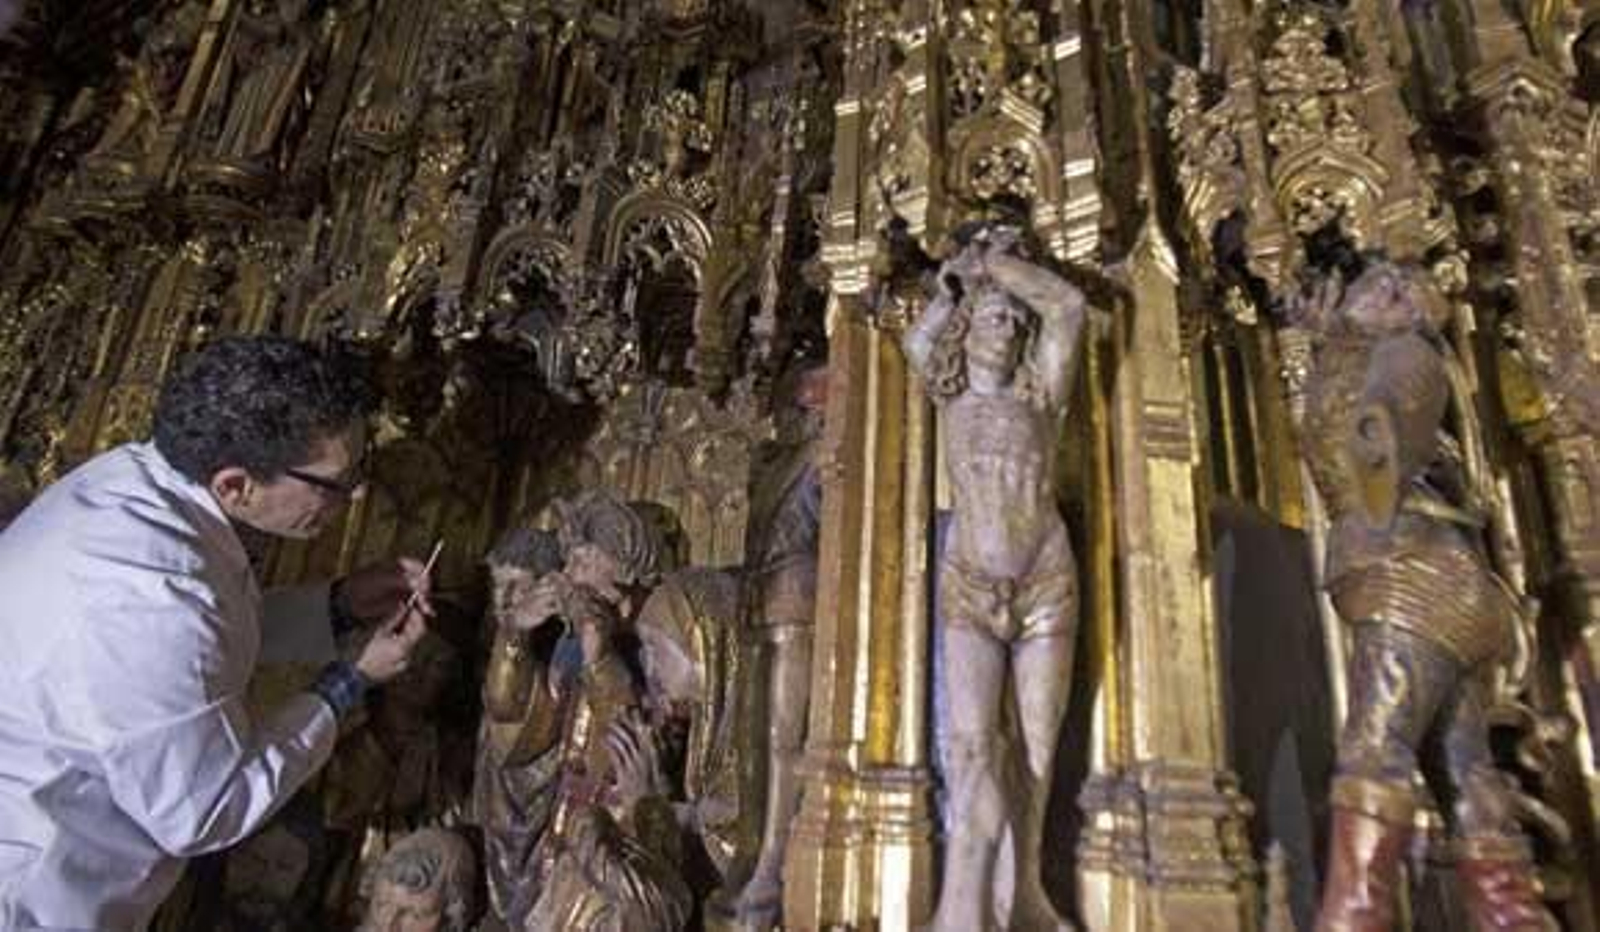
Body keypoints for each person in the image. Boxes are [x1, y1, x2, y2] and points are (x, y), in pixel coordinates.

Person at [0, 335, 431, 931]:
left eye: (362, 469)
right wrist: (349, 681)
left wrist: (337, 607)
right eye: (334, 483)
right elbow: (206, 810)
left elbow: (204, 641)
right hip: (35, 896)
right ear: (236, 485)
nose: (357, 494)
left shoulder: (143, 486)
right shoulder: (150, 596)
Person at [903, 226, 1090, 932]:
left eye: (1015, 318)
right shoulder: (951, 398)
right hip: (971, 583)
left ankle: (1028, 893)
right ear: (968, 328)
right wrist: (960, 281)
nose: (1007, 326)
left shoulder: (1042, 394)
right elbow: (918, 345)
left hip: (1046, 579)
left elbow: (1068, 308)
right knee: (973, 746)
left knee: (1037, 749)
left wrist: (1002, 271)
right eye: (994, 315)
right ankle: (966, 903)